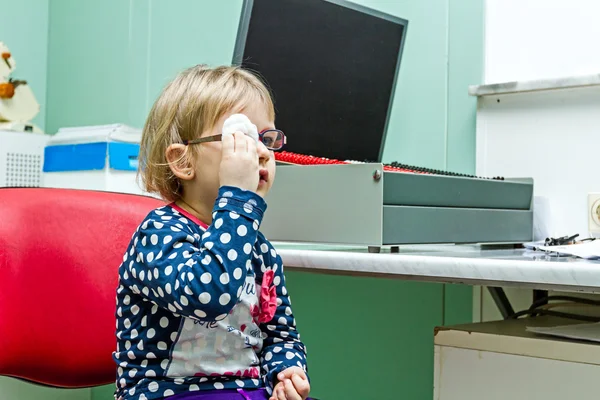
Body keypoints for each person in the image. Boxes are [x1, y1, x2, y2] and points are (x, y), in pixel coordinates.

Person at [113, 65, 311, 400]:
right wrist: (238, 202)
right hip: (170, 393)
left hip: (248, 392)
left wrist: (286, 370)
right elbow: (206, 297)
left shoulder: (259, 250)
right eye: (241, 139)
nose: (261, 152)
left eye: (266, 139)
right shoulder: (159, 234)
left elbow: (280, 335)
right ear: (184, 161)